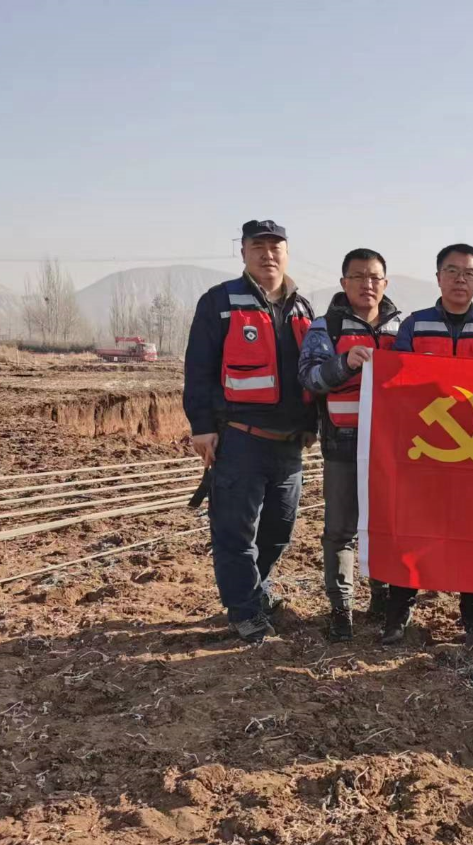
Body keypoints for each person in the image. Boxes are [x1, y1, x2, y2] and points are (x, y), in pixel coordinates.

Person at [183, 219, 317, 643]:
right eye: (258, 246)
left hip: (289, 445)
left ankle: (254, 591)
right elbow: (198, 368)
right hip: (240, 438)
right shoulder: (220, 302)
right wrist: (202, 426)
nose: (267, 254)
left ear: (287, 253)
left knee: (278, 532)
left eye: (275, 247)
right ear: (243, 252)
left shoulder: (303, 308)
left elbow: (311, 373)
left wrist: (311, 425)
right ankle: (244, 611)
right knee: (236, 533)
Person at [384, 243, 473, 648]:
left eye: (469, 273)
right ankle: (398, 609)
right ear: (438, 277)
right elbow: (396, 382)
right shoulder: (415, 326)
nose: (460, 279)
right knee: (412, 528)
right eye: (452, 271)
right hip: (424, 451)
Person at [298, 249, 402, 642]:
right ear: (344, 283)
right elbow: (309, 378)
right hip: (343, 444)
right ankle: (341, 608)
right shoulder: (326, 328)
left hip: (391, 449)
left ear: (385, 283)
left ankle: (382, 597)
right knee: (340, 530)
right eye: (358, 277)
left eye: (374, 277)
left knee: (385, 527)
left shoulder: (402, 328)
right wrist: (343, 364)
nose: (367, 284)